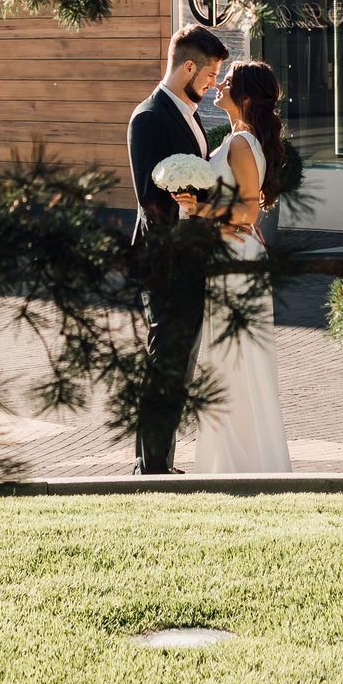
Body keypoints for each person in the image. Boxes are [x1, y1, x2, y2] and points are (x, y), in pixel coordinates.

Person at [126, 23, 229, 474]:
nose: (211, 84)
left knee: (181, 360)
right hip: (167, 260)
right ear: (188, 67)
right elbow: (150, 200)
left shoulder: (189, 114)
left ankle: (156, 461)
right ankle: (151, 468)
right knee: (167, 360)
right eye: (209, 75)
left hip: (191, 255)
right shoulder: (149, 117)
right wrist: (192, 210)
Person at [190, 58, 292, 473]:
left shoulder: (241, 143)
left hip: (236, 261)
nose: (219, 84)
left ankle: (245, 461)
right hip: (228, 256)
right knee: (226, 359)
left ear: (246, 96)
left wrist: (198, 209)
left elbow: (248, 211)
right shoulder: (236, 139)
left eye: (228, 80)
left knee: (236, 359)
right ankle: (228, 459)